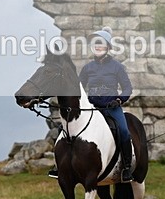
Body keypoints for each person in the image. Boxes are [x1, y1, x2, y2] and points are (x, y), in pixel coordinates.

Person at [48, 27, 134, 182]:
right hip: (92, 108)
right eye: (95, 44)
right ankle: (59, 166)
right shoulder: (87, 68)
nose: (97, 46)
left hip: (111, 107)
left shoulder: (117, 67)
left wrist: (120, 100)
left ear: (107, 47)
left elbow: (127, 87)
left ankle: (126, 167)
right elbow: (78, 88)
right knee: (64, 129)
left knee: (124, 131)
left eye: (101, 44)